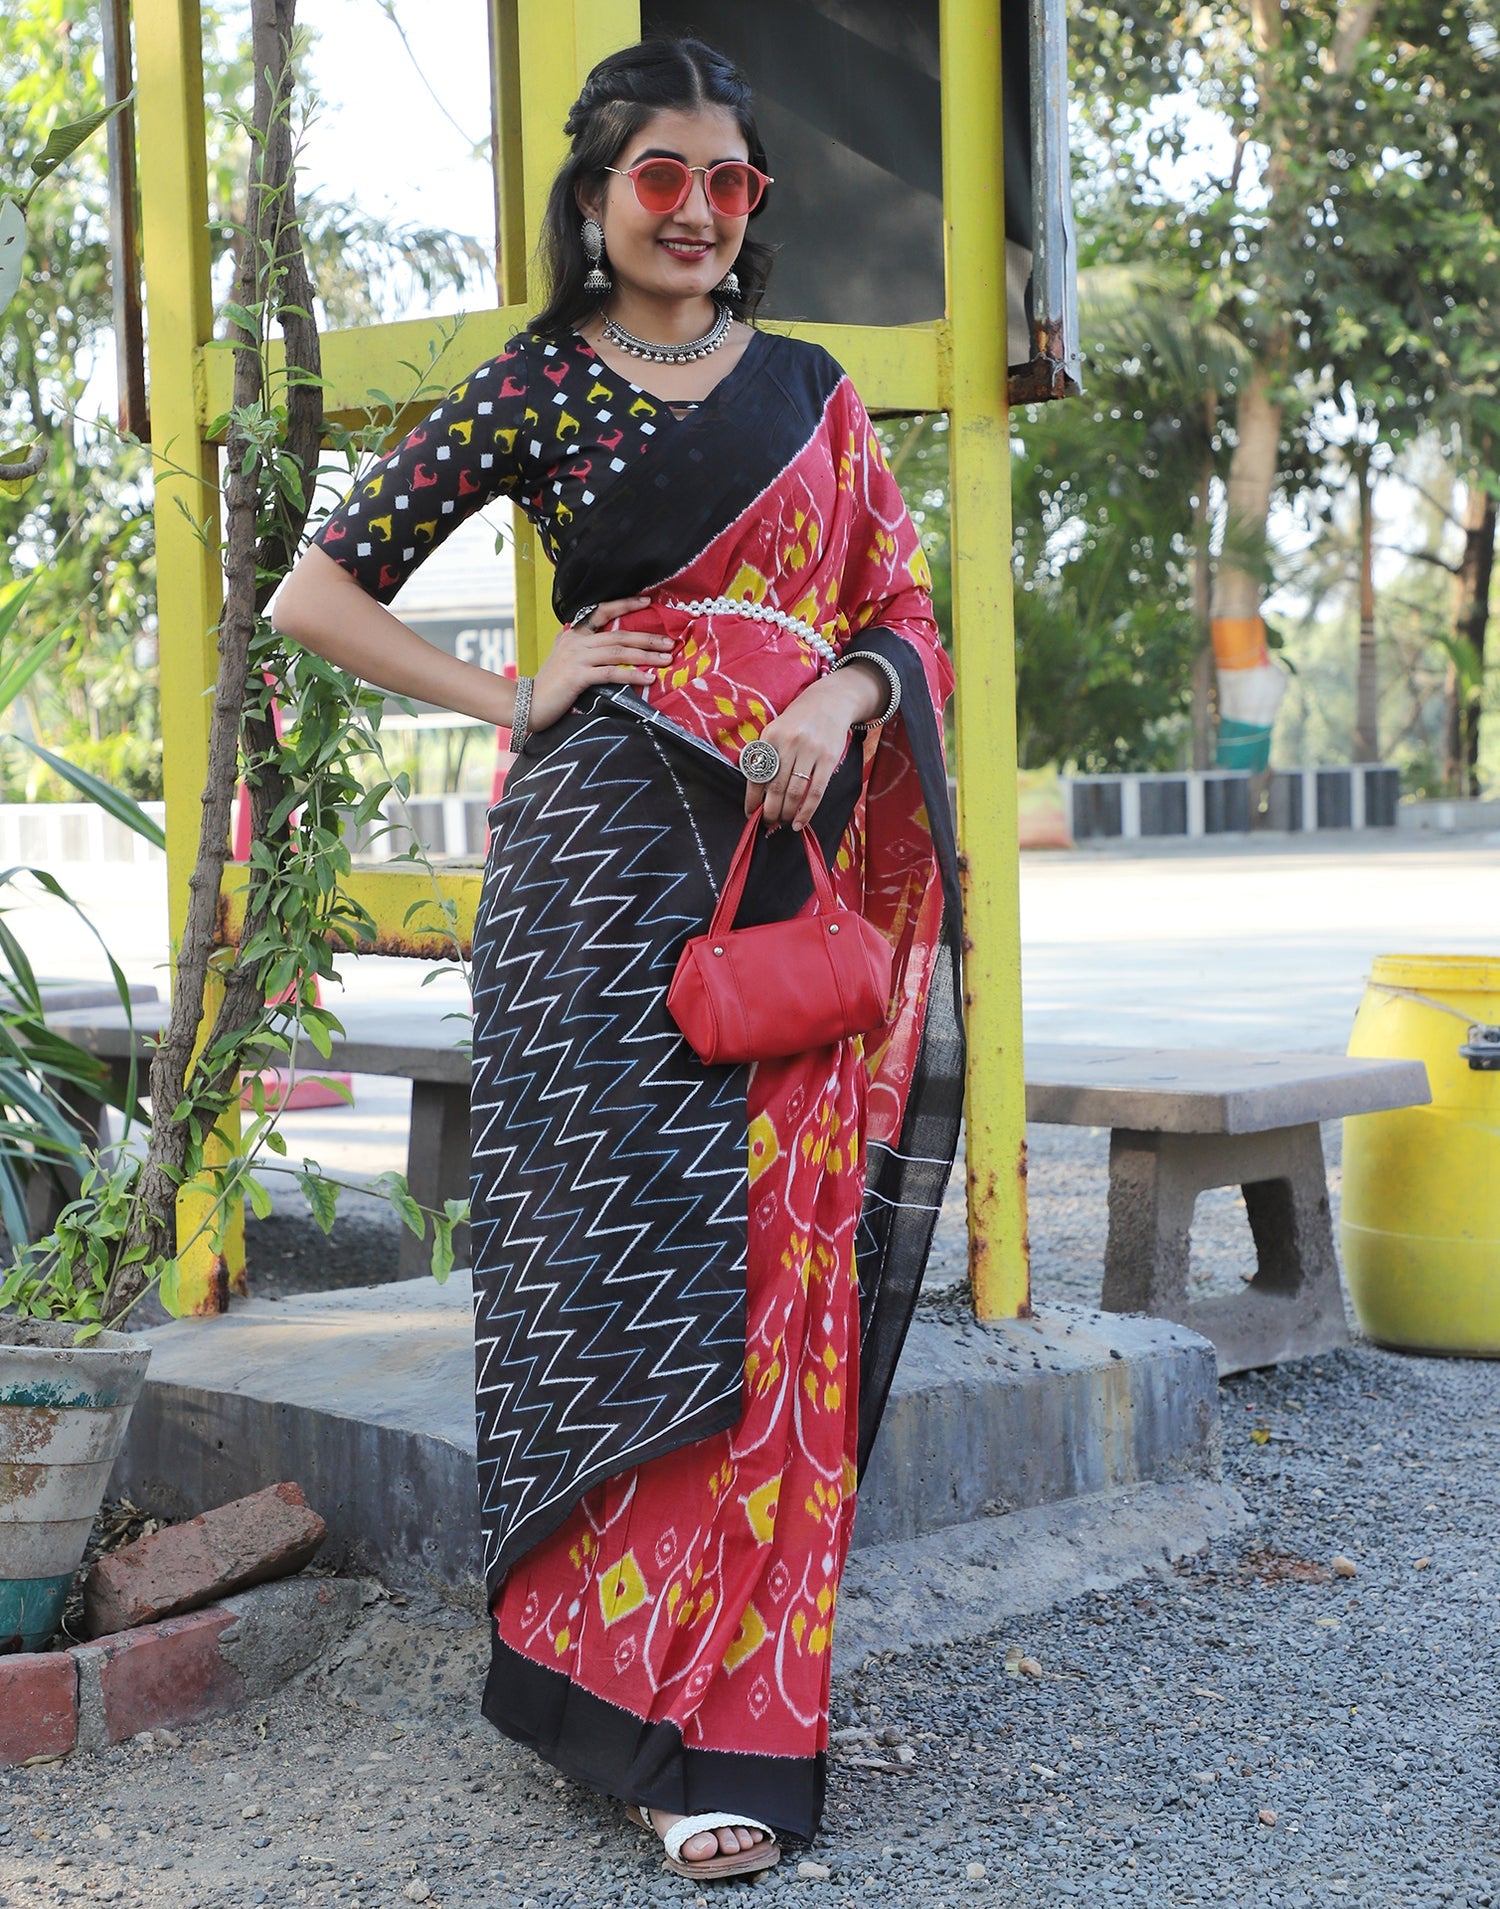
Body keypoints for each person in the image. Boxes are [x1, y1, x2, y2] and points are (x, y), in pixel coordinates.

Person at [273, 35, 963, 1884]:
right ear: (596, 197)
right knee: (618, 1280)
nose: (697, 213)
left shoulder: (818, 398)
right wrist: (514, 685)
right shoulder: (538, 389)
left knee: (780, 1286)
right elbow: (316, 587)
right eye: (662, 177)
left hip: (779, 865)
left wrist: (841, 681)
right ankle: (621, 1706)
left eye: (730, 184)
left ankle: (745, 1710)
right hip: (596, 879)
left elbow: (901, 606)